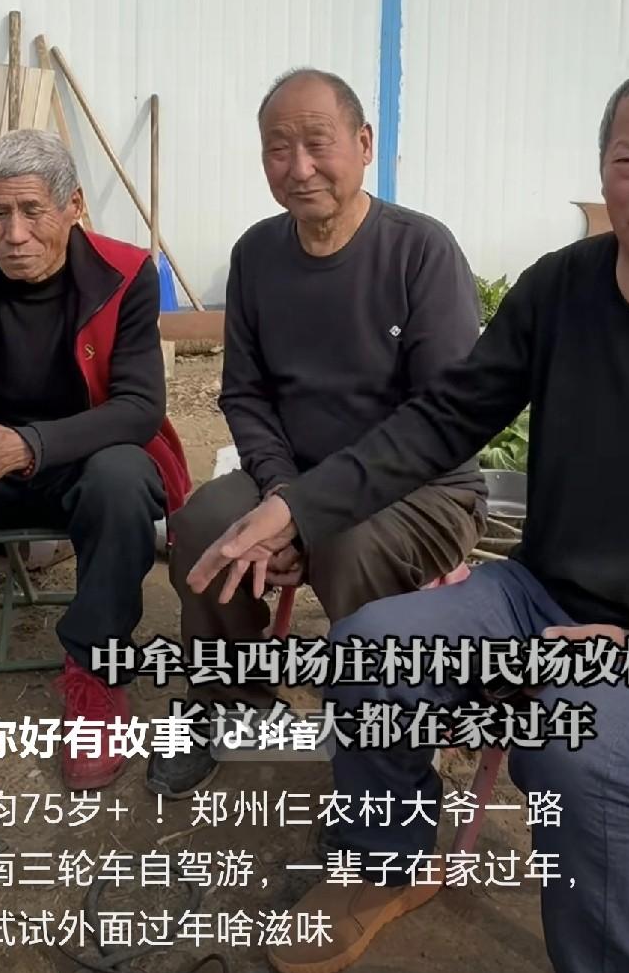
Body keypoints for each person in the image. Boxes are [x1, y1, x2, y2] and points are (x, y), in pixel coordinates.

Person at [187, 62, 629, 973]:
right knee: (368, 652)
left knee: (578, 747)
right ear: (601, 170)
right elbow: (443, 419)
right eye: (628, 161)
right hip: (538, 595)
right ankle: (383, 863)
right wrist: (295, 506)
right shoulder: (561, 287)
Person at [147, 68, 488, 799]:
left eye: (317, 143)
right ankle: (228, 702)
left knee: (346, 541)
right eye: (278, 148)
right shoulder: (257, 255)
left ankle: (383, 737)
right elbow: (245, 394)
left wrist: (303, 515)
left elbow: (441, 420)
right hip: (293, 476)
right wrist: (281, 494)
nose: (298, 168)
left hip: (422, 491)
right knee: (204, 524)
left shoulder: (421, 252)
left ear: (363, 144)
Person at [0, 128, 190, 789]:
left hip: (77, 464)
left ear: (74, 206)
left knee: (121, 476)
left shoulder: (125, 274)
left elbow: (139, 406)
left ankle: (95, 671)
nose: (14, 234)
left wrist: (24, 446)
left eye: (33, 211)